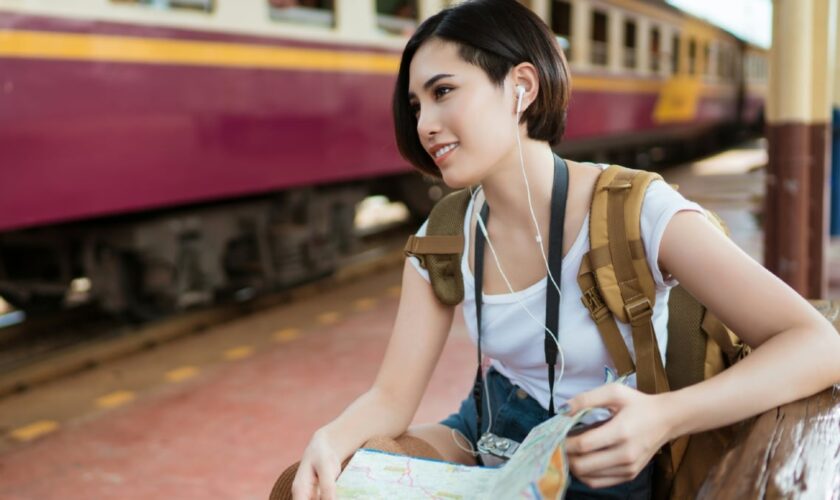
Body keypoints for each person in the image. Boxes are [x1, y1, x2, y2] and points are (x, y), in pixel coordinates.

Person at [288, 1, 840, 498]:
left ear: (521, 86)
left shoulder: (637, 209)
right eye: (415, 106)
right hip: (488, 436)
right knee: (305, 484)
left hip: (608, 455)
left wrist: (663, 418)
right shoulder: (446, 230)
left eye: (444, 92)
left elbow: (818, 345)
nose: (426, 124)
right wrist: (331, 439)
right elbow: (391, 398)